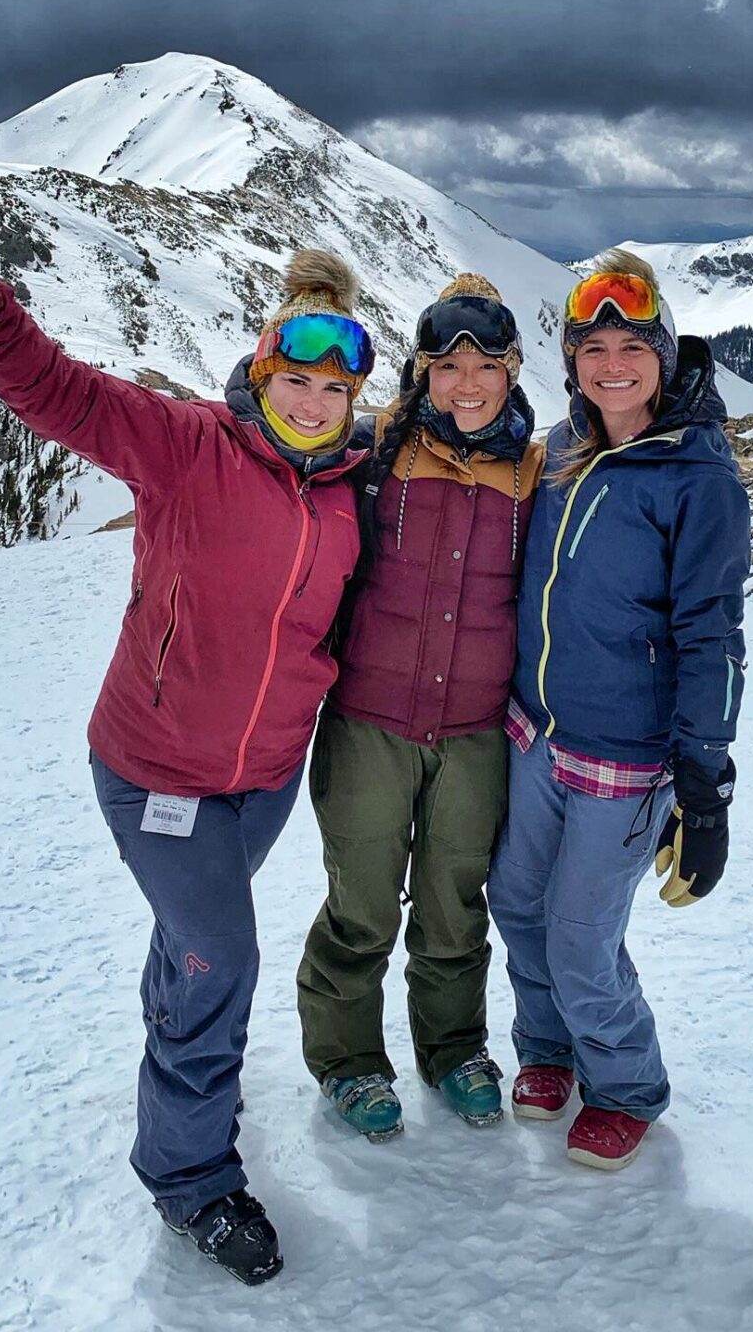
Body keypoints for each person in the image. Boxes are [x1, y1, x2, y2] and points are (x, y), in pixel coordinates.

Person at [0, 139, 375, 1284]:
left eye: (337, 386)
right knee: (223, 955)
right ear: (264, 361)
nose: (314, 397)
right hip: (154, 773)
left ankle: (173, 1040)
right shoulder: (187, 445)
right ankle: (190, 1178)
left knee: (193, 949)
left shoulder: (354, 487)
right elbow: (50, 387)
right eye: (298, 375)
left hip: (265, 778)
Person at [487, 248, 750, 1172]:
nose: (610, 363)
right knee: (518, 905)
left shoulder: (697, 476)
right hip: (536, 735)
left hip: (627, 759)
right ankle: (546, 1050)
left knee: (579, 937)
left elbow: (711, 634)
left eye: (631, 344)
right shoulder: (559, 449)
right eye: (590, 345)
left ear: (665, 354)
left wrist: (703, 782)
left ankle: (627, 1084)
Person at [295, 274, 544, 1140]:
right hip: (369, 721)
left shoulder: (535, 469)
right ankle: (350, 1061)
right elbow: (279, 430)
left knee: (453, 905)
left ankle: (453, 1050)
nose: (465, 383)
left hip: (476, 732)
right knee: (359, 906)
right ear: (420, 372)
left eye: (484, 365)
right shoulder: (375, 455)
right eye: (446, 365)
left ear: (514, 370)